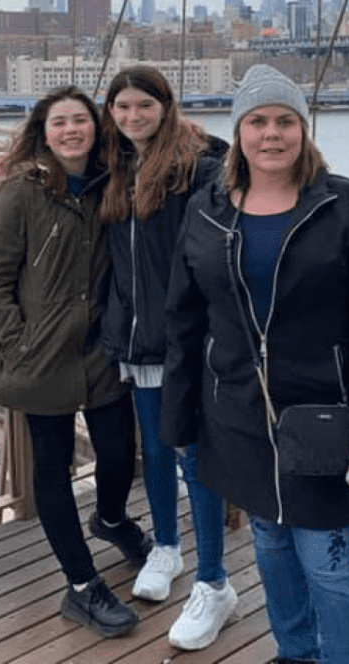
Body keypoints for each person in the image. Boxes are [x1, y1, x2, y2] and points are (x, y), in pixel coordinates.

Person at [160, 64, 349, 664]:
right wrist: (179, 422)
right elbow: (183, 322)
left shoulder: (346, 206)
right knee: (270, 543)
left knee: (328, 563)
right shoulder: (207, 211)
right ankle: (296, 651)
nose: (271, 134)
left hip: (325, 423)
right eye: (257, 121)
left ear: (304, 131)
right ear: (239, 130)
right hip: (236, 416)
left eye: (286, 121)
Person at [0, 86, 151, 639]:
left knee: (120, 454)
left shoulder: (114, 183)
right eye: (59, 123)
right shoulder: (22, 193)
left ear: (97, 128)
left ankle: (112, 519)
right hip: (40, 357)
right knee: (52, 469)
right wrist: (20, 345)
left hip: (100, 351)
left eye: (81, 121)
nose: (71, 130)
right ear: (42, 132)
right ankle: (81, 586)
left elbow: (179, 156)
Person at [98, 65, 237, 651]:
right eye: (122, 108)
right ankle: (165, 547)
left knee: (192, 456)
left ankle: (215, 581)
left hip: (185, 342)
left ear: (166, 106)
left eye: (143, 107)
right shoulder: (115, 167)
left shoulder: (196, 170)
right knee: (153, 448)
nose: (132, 118)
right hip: (134, 338)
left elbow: (215, 256)